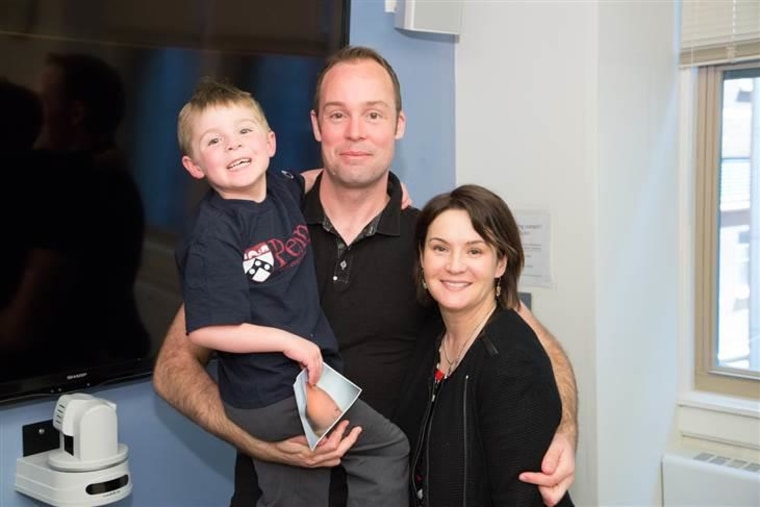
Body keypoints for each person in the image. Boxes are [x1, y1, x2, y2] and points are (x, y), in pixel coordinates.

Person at [153, 46, 577, 507]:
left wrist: (564, 430)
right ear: (316, 126)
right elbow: (174, 367)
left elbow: (532, 345)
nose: (355, 133)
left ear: (399, 124)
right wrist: (259, 443)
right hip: (273, 489)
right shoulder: (263, 225)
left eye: (373, 114)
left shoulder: (431, 242)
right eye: (338, 115)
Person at [174, 76, 409, 506]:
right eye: (214, 140)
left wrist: (389, 188)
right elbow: (205, 330)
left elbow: (318, 174)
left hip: (304, 386)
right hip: (272, 394)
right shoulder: (215, 233)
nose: (233, 146)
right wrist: (290, 342)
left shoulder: (281, 191)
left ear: (269, 142)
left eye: (244, 132)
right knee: (382, 450)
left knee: (312, 488)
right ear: (193, 165)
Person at [395, 184, 574, 506]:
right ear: (421, 256)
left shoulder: (512, 362)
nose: (454, 265)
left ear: (501, 263)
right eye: (440, 248)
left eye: (475, 251)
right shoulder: (432, 337)